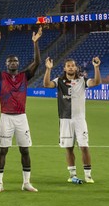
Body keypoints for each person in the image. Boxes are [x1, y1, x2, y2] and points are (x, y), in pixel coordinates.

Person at [0, 26, 42, 193]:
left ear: (19, 64)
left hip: (21, 117)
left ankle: (26, 183)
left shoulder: (24, 76)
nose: (13, 63)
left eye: (16, 61)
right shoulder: (1, 76)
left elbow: (38, 63)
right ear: (6, 64)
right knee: (3, 150)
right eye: (10, 61)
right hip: (6, 117)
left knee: (25, 150)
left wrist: (35, 43)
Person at [43, 56, 102, 184]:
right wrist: (48, 69)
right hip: (65, 119)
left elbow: (96, 82)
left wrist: (96, 68)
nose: (70, 67)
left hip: (80, 119)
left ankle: (88, 175)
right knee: (69, 148)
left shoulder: (82, 80)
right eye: (68, 66)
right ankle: (72, 174)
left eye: (72, 65)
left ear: (76, 68)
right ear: (64, 68)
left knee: (84, 146)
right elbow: (47, 84)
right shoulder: (59, 81)